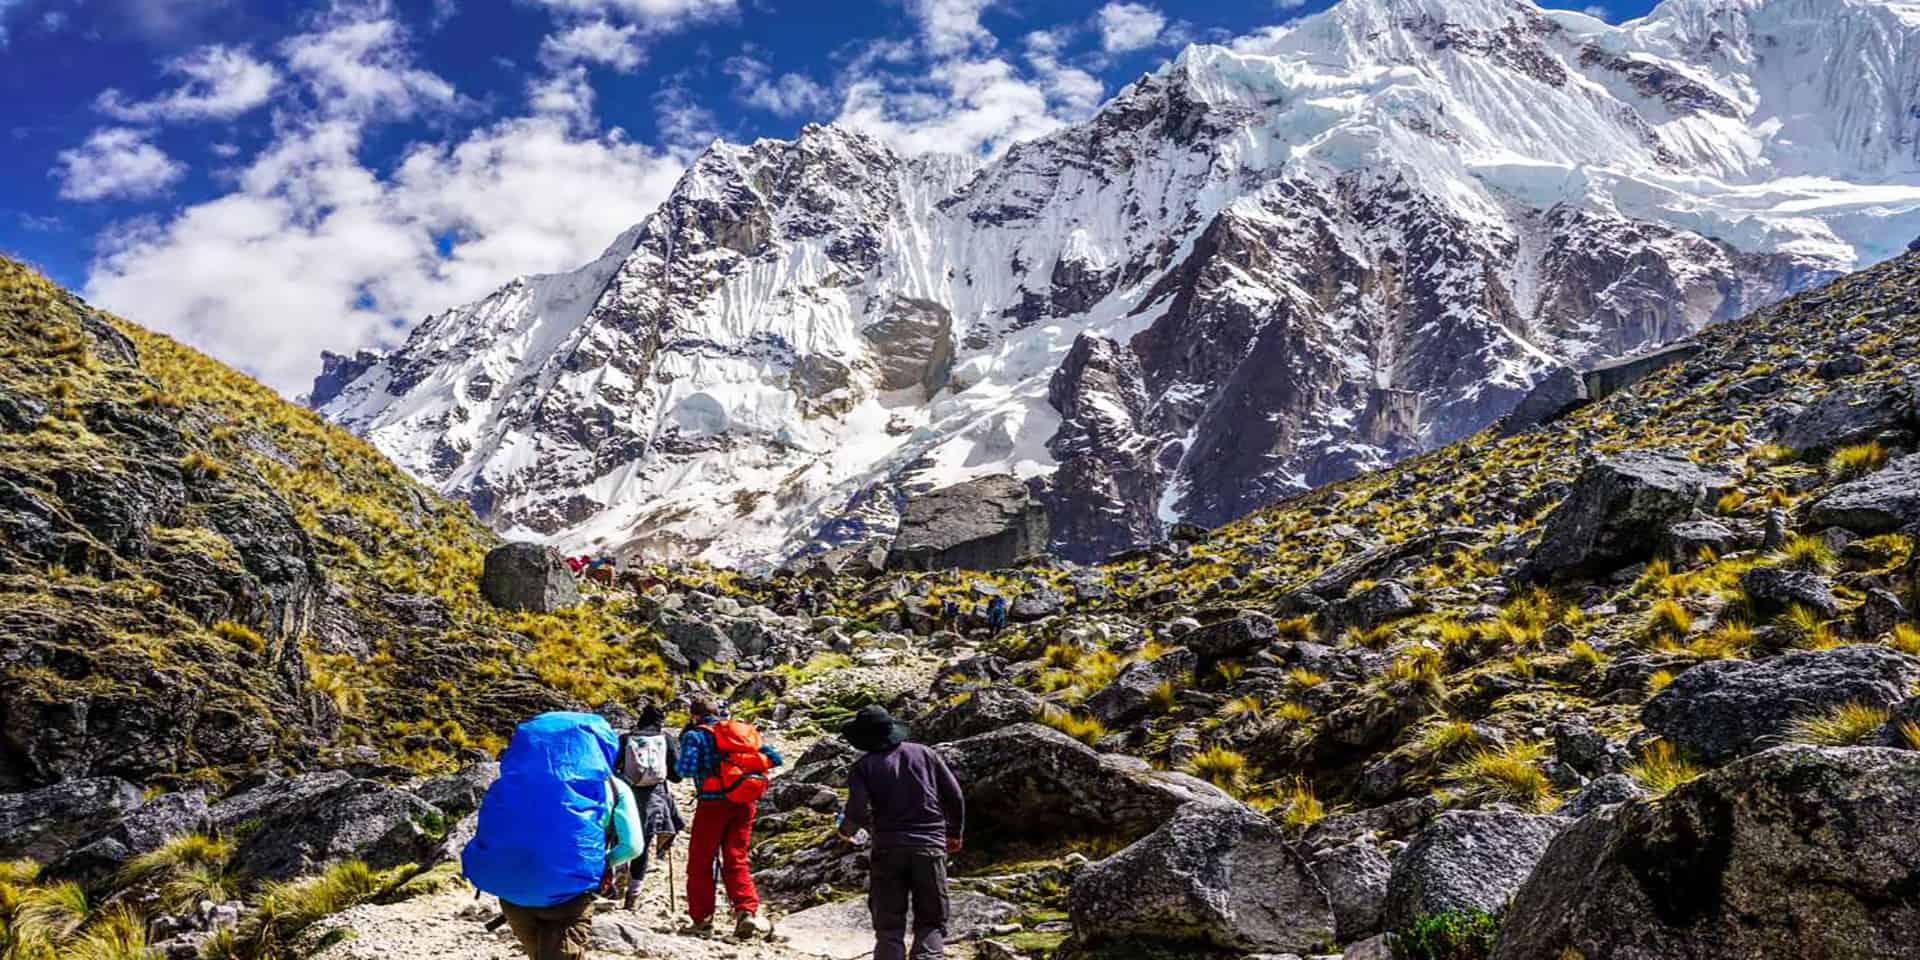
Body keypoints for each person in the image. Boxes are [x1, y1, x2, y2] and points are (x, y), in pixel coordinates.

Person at [465, 712, 644, 960]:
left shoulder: (512, 782)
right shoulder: (613, 787)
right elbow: (633, 846)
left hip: (512, 891)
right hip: (571, 892)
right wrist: (603, 862)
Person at [836, 706, 966, 960]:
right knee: (931, 919)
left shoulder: (863, 767)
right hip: (930, 845)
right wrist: (954, 833)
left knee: (889, 926)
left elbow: (857, 811)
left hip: (887, 848)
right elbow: (955, 796)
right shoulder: (926, 754)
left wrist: (846, 833)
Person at [677, 697, 782, 938]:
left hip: (712, 804)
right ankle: (746, 911)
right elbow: (775, 758)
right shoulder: (740, 732)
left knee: (701, 861)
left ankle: (702, 920)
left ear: (694, 716)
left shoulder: (696, 735)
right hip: (744, 802)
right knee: (737, 858)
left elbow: (685, 769)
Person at [615, 703, 687, 910]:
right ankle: (633, 896)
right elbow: (677, 776)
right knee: (643, 845)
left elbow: (613, 767)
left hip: (626, 795)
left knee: (622, 835)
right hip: (655, 798)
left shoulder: (626, 738)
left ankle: (620, 870)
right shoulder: (665, 739)